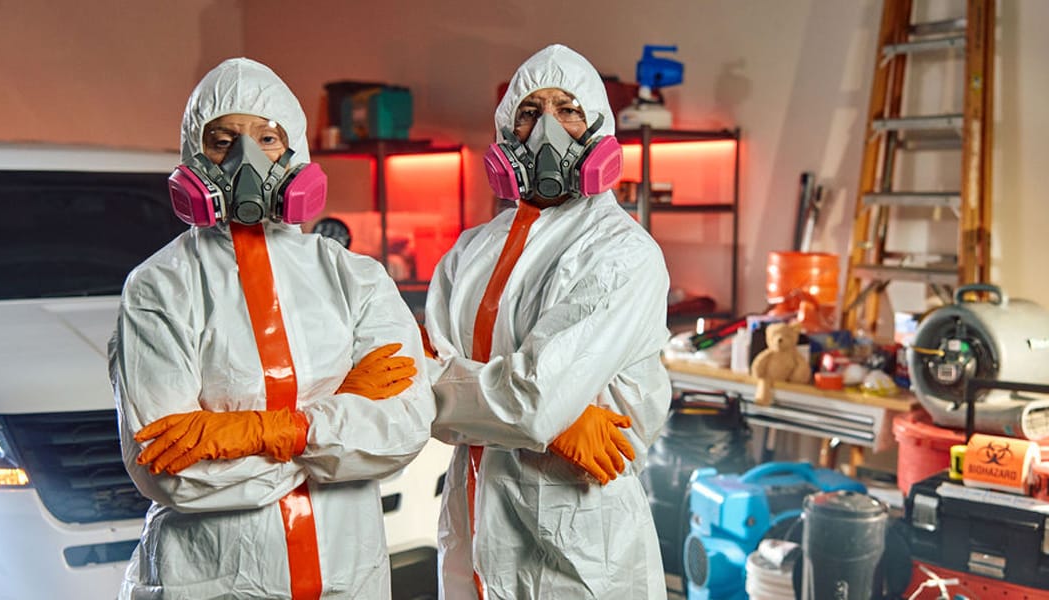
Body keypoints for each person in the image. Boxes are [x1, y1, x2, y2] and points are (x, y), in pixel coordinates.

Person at [110, 57, 433, 600]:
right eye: (222, 142)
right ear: (193, 157)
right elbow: (169, 474)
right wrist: (336, 430)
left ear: (295, 151)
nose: (247, 159)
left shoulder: (355, 278)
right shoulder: (159, 287)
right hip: (213, 581)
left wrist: (274, 432)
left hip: (349, 577)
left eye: (267, 139)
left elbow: (402, 432)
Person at [424, 44, 672, 599]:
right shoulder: (471, 251)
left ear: (599, 130)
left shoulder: (621, 252)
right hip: (473, 521)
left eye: (568, 111)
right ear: (506, 132)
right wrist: (555, 419)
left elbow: (529, 400)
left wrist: (530, 413)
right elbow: (420, 383)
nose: (547, 130)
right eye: (530, 112)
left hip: (576, 539)